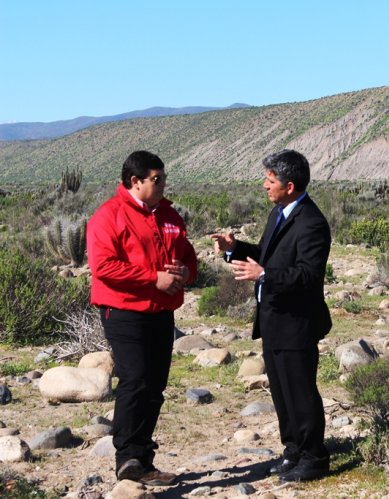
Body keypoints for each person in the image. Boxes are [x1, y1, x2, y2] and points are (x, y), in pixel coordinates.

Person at [211, 149, 332, 483]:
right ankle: (293, 450)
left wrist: (264, 275)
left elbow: (308, 275)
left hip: (297, 321)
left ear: (289, 185)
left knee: (301, 390)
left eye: (270, 180)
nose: (265, 186)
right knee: (281, 390)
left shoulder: (312, 223)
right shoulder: (279, 214)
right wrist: (235, 249)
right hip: (274, 319)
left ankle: (314, 457)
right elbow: (266, 254)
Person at [87, 150, 197, 486]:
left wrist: (185, 273)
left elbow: (188, 256)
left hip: (161, 312)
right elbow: (103, 266)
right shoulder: (109, 216)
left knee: (155, 385)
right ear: (135, 181)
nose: (163, 184)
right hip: (124, 311)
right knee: (135, 380)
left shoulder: (168, 215)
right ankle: (127, 458)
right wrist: (154, 279)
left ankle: (143, 460)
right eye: (157, 179)